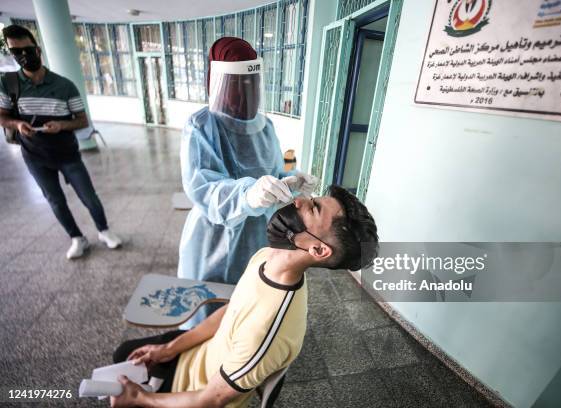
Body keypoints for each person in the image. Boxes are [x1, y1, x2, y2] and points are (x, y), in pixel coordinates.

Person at [111, 186, 379, 408]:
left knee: (121, 386)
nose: (298, 200)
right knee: (124, 354)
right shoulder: (268, 256)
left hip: (193, 392)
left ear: (319, 250)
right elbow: (231, 311)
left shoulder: (269, 329)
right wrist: (169, 350)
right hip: (198, 355)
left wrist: (140, 398)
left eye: (312, 208)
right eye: (311, 199)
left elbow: (210, 399)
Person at [178, 37, 317, 328]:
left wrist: (292, 182)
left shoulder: (265, 127)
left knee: (249, 302)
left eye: (251, 82)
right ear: (217, 80)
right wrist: (248, 194)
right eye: (236, 82)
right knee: (209, 308)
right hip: (214, 236)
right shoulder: (202, 126)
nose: (245, 91)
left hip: (258, 233)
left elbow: (274, 173)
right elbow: (203, 187)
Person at [0, 25, 121, 259]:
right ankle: (77, 238)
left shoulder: (64, 85)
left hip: (67, 153)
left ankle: (104, 231)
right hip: (35, 156)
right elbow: (3, 116)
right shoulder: (9, 83)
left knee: (89, 196)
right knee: (55, 201)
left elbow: (82, 120)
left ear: (37, 50)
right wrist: (17, 125)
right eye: (16, 53)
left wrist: (61, 125)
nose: (23, 56)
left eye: (27, 50)